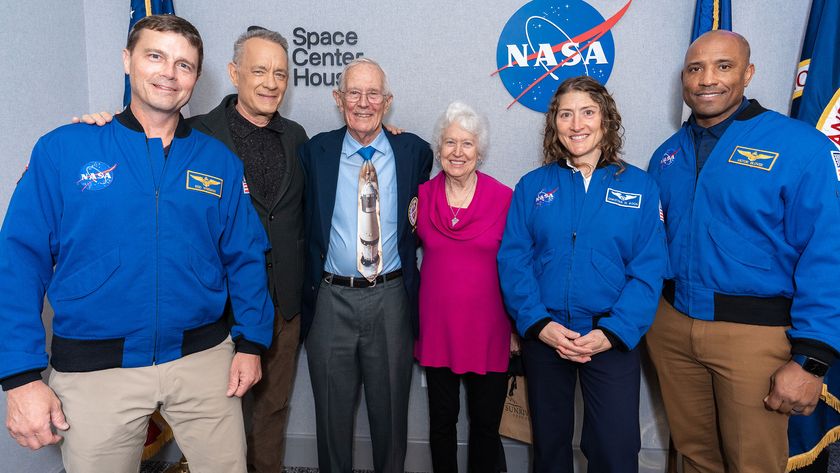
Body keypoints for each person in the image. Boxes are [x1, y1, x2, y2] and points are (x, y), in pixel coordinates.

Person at [0, 15, 273, 473]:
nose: (169, 72)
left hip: (204, 362)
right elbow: (18, 262)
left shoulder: (219, 162)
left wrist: (251, 342)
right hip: (95, 370)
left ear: (196, 78)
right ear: (127, 61)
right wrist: (20, 376)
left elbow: (245, 256)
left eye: (184, 64)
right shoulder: (65, 150)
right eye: (155, 56)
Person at [75, 26, 308, 472]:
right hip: (207, 313)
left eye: (280, 73)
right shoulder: (196, 134)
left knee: (264, 417)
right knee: (208, 425)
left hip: (277, 304)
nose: (271, 82)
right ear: (232, 73)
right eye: (259, 70)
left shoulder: (297, 138)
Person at [645, 30, 840, 473]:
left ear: (748, 73)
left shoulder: (801, 147)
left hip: (756, 337)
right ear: (684, 79)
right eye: (695, 68)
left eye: (723, 66)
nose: (707, 78)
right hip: (672, 329)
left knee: (753, 464)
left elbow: (830, 253)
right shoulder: (667, 155)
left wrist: (812, 360)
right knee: (694, 457)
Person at [497, 76, 667, 473]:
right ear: (554, 124)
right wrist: (537, 323)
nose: (577, 124)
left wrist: (612, 332)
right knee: (550, 448)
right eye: (566, 114)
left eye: (587, 112)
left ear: (605, 120)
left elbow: (649, 269)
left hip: (609, 337)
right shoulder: (532, 186)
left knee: (615, 449)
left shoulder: (640, 187)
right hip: (547, 334)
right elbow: (514, 260)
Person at [299, 57, 433, 473]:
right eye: (353, 93)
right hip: (330, 300)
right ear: (339, 100)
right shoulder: (313, 152)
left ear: (387, 101)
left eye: (373, 93)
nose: (363, 102)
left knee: (391, 416)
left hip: (391, 298)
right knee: (331, 419)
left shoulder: (414, 152)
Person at [413, 101, 514, 473]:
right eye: (450, 143)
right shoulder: (421, 197)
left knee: (486, 427)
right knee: (441, 422)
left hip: (489, 329)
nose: (458, 152)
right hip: (438, 327)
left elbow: (518, 267)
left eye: (467, 144)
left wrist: (519, 325)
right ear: (439, 149)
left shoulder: (505, 199)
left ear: (480, 151)